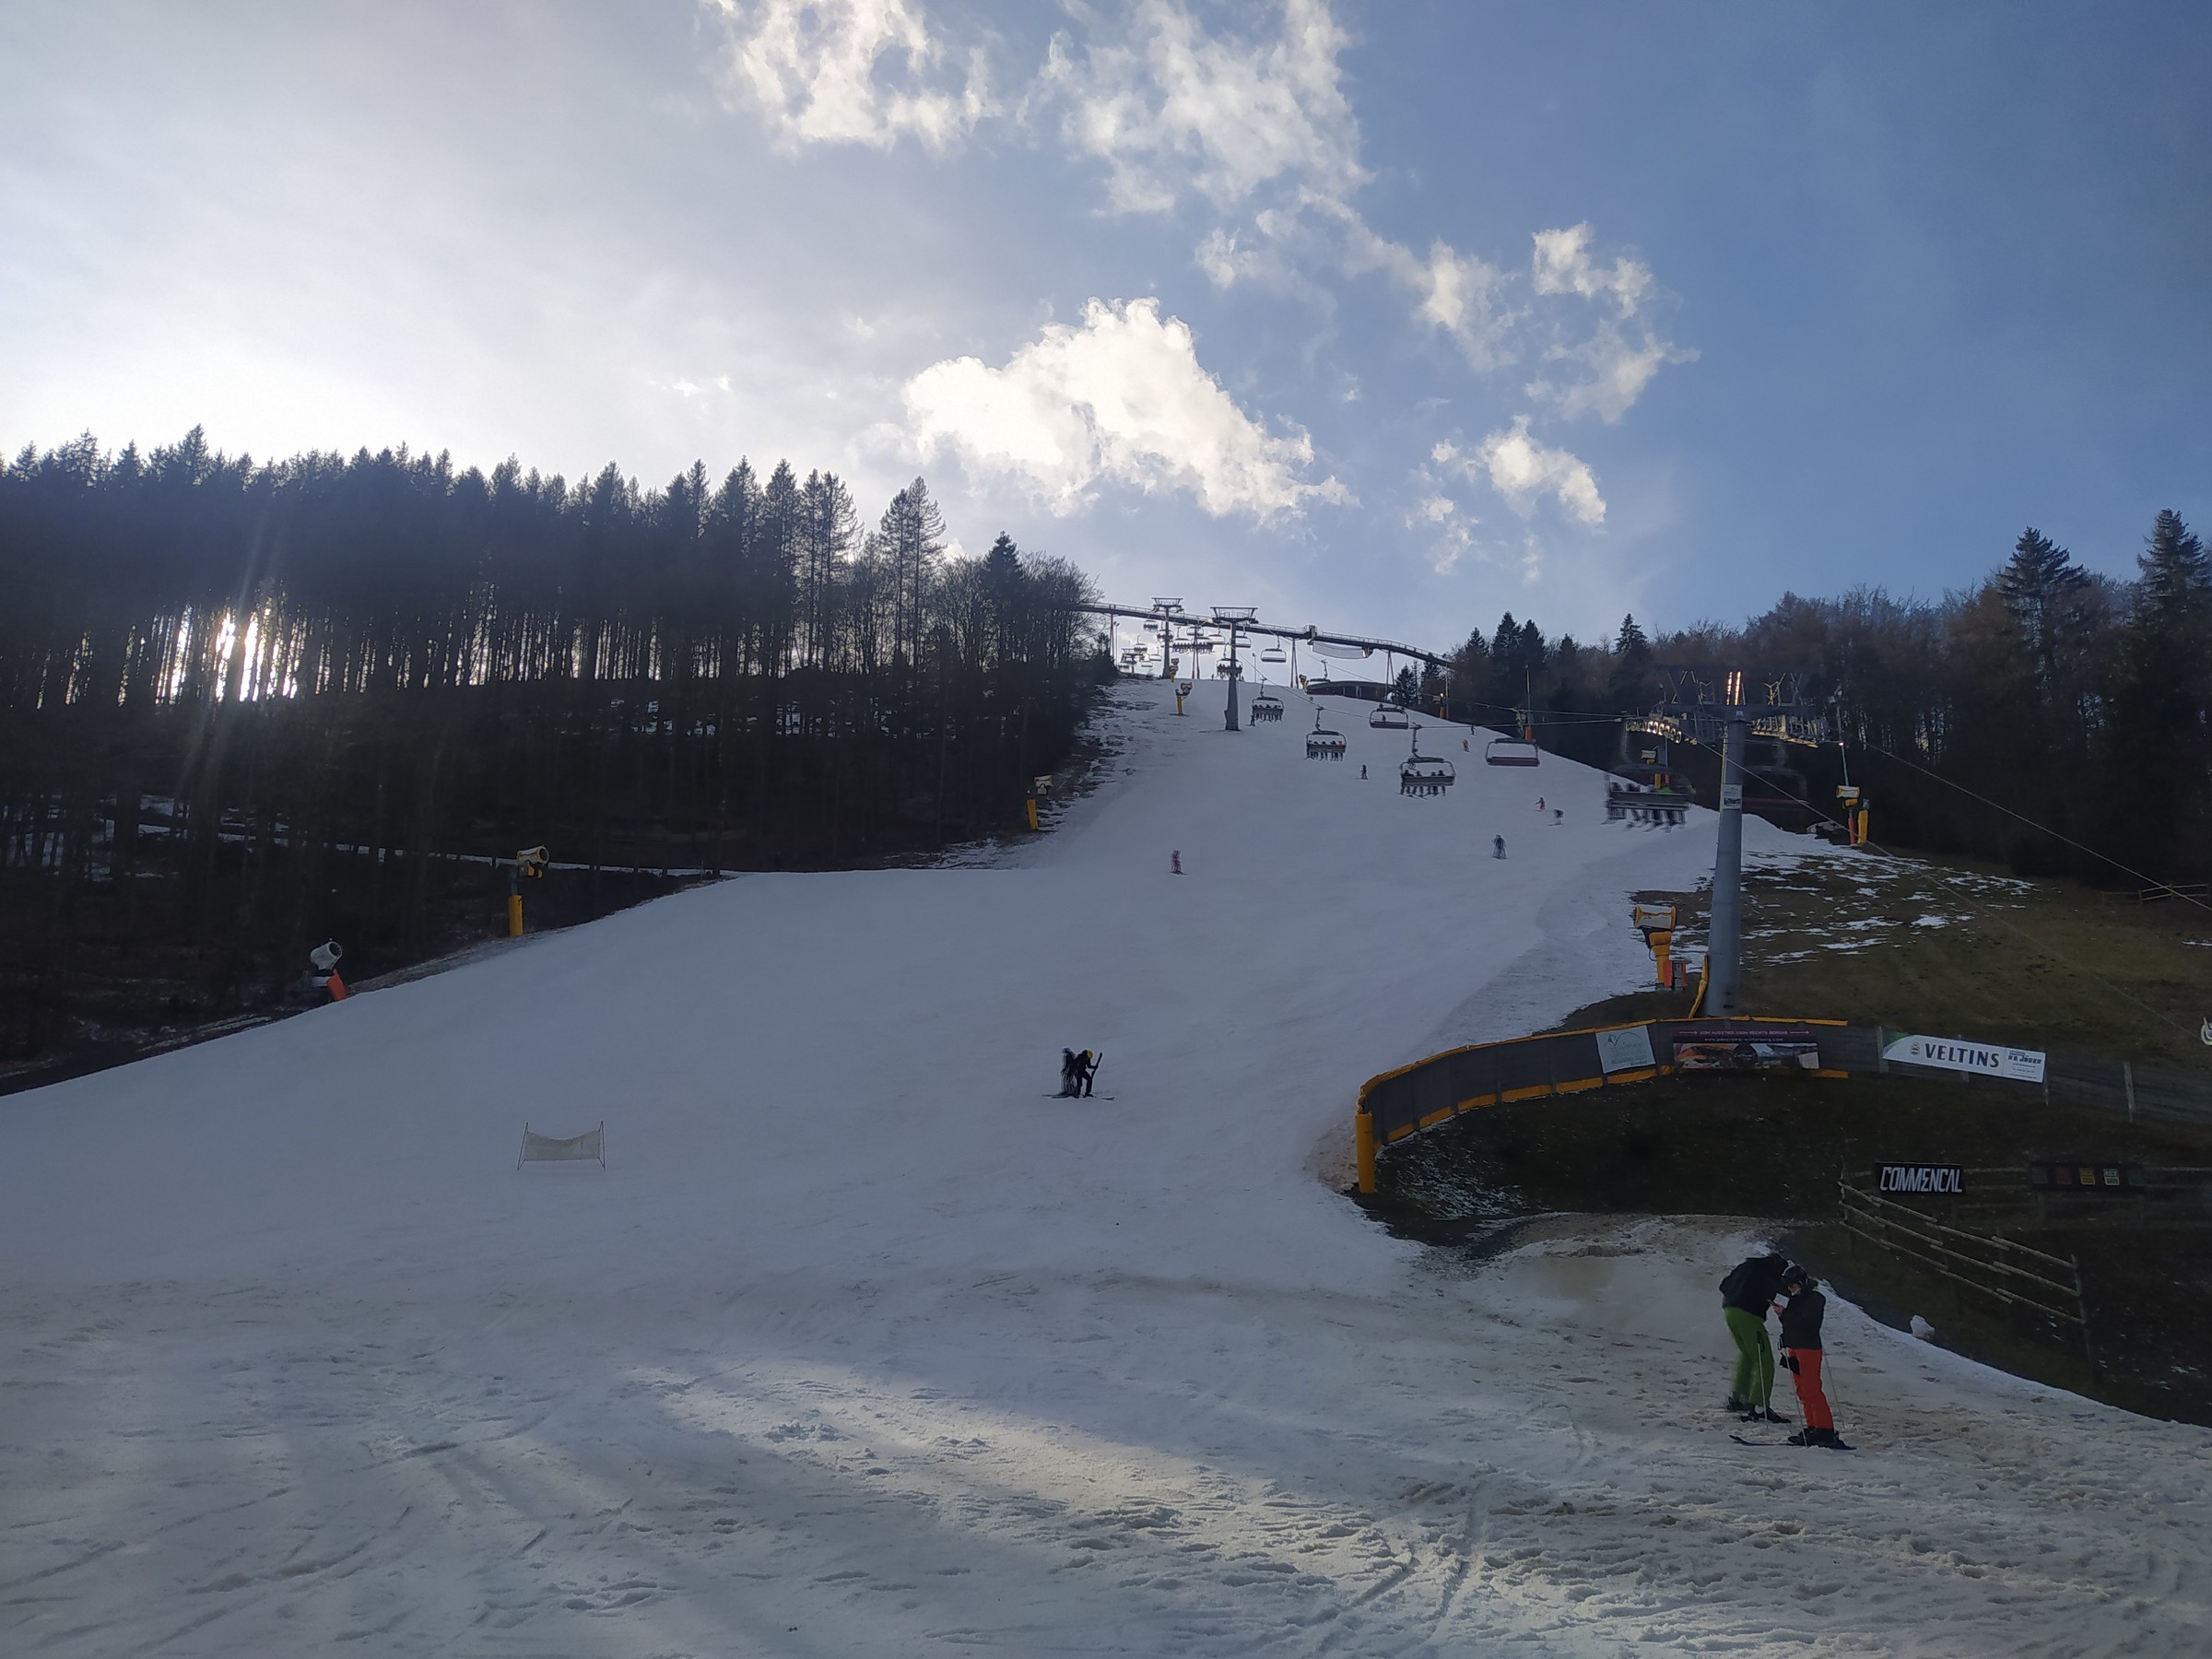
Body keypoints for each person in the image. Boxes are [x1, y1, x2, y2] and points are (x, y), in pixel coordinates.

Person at [1778, 1268, 1853, 1448]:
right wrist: (1783, 1316)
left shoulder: (1815, 1299)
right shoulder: (1796, 1299)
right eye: (1789, 1286)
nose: (1790, 1289)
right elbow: (1792, 1322)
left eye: (1793, 1285)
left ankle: (1824, 1429)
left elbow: (1807, 1323)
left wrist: (1785, 1314)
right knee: (1802, 1390)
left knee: (1812, 1389)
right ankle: (1812, 1426)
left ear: (1801, 1283)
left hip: (1809, 1348)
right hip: (1794, 1347)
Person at [1719, 1253, 1794, 1421]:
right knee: (1764, 1360)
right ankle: (1759, 1405)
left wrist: (1740, 1293)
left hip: (1729, 1311)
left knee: (1747, 1354)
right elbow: (1787, 1290)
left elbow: (1723, 1285)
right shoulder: (1768, 1273)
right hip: (1749, 1316)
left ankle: (1738, 1398)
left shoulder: (1745, 1267)